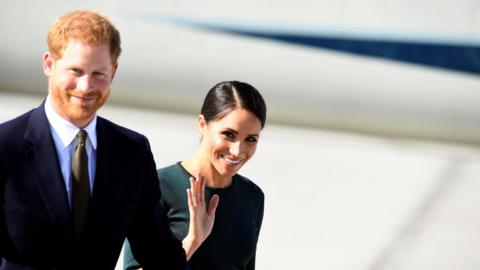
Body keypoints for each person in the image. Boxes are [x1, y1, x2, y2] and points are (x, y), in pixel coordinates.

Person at [0, 10, 211, 270]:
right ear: (49, 64)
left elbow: (158, 251)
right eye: (75, 70)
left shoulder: (132, 153)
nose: (86, 86)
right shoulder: (5, 147)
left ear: (114, 71)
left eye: (99, 74)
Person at [124, 81, 267, 270]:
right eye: (228, 134)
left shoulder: (252, 196)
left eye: (250, 139)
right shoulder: (156, 187)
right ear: (202, 124)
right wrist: (191, 243)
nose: (237, 151)